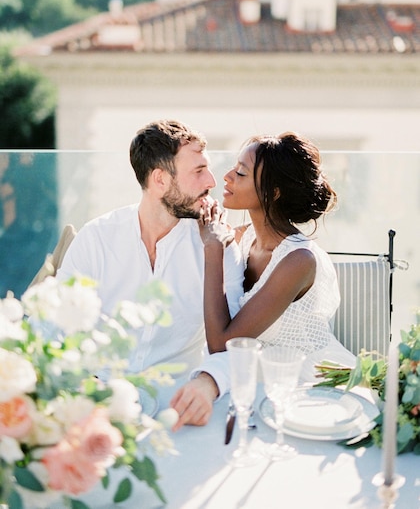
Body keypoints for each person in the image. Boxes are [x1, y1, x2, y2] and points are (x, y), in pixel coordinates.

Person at [57, 119, 244, 429]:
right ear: (160, 180)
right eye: (198, 171)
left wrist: (209, 383)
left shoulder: (219, 244)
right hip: (95, 406)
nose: (211, 180)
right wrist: (85, 386)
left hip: (180, 412)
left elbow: (239, 343)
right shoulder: (97, 238)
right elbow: (57, 325)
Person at [200, 131, 355, 381]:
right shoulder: (245, 238)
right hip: (261, 375)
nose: (227, 177)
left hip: (311, 381)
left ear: (273, 193)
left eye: (240, 173)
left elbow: (221, 344)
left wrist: (213, 248)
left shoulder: (298, 261)